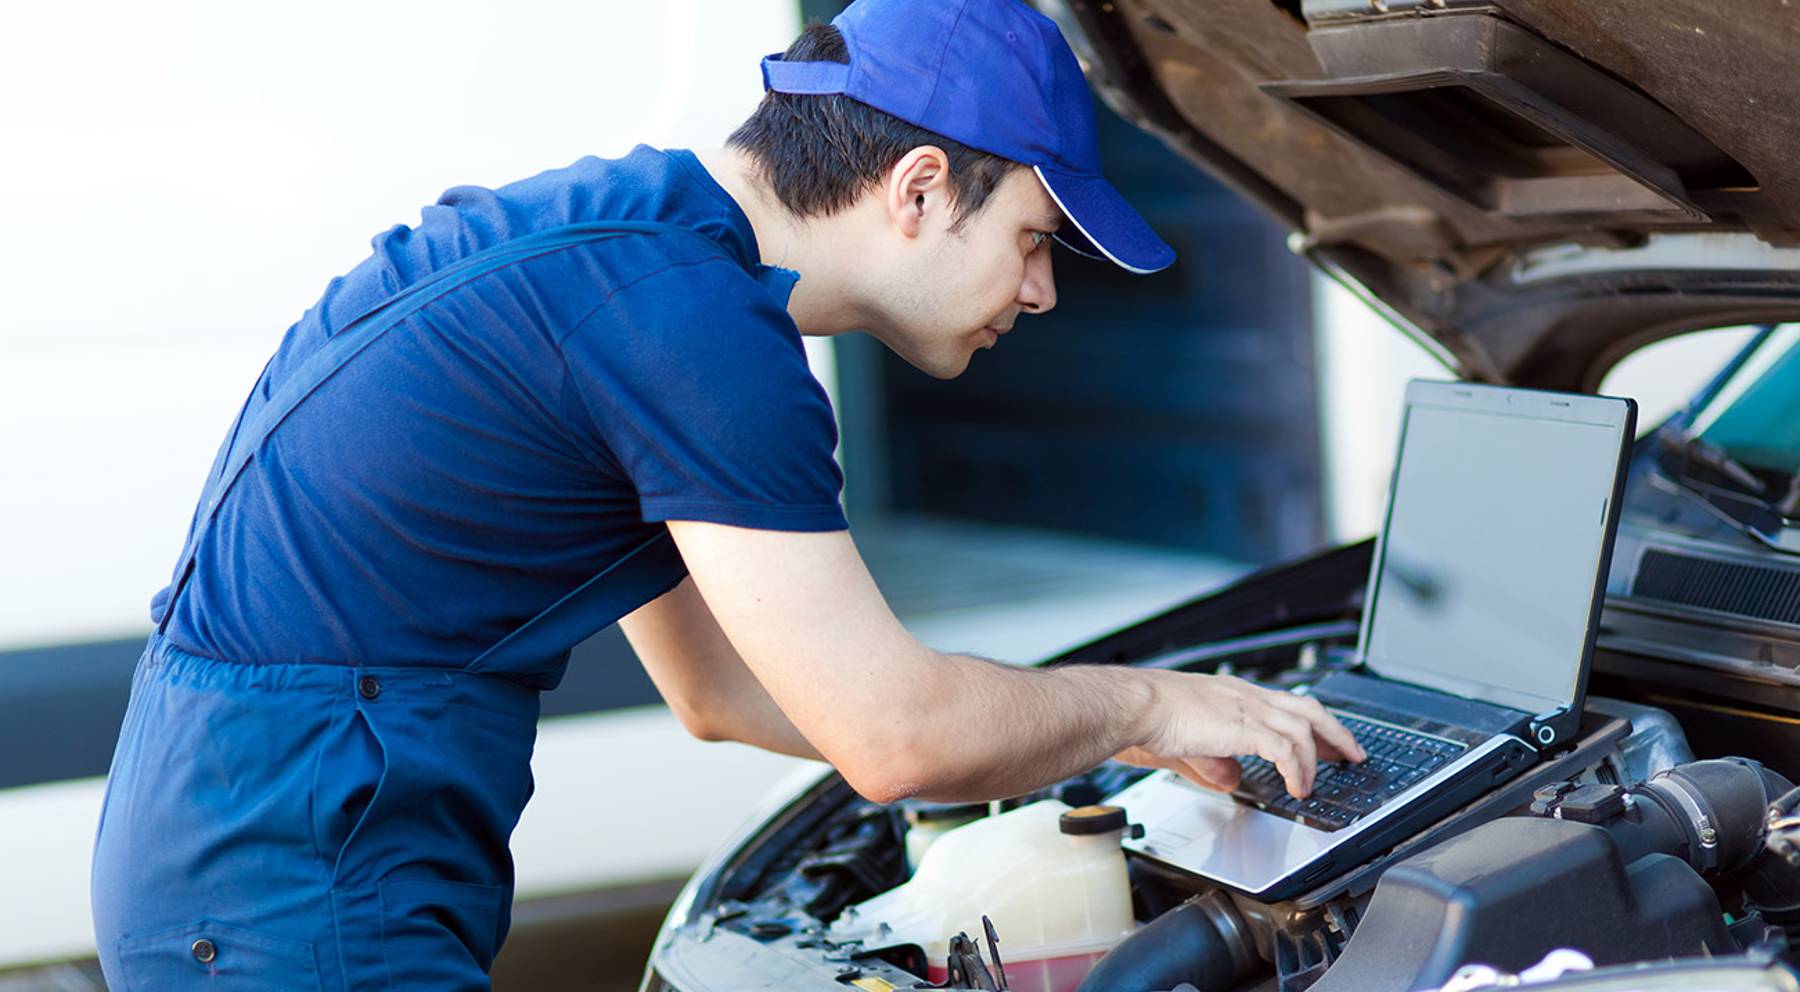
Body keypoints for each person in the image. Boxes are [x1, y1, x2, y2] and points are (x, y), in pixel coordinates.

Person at [90, 1, 1363, 988]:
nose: (1041, 291)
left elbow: (723, 692)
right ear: (919, 188)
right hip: (297, 862)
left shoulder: (639, 245)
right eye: (1035, 237)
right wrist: (1148, 694)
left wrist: (1108, 734)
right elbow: (894, 740)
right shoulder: (699, 334)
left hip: (233, 824)